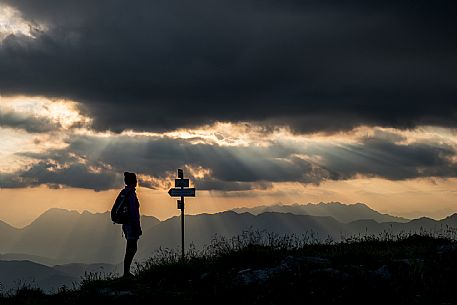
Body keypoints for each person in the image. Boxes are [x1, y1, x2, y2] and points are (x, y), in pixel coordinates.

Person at [121, 171, 142, 278]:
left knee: (130, 247)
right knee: (131, 248)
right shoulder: (131, 194)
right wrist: (137, 227)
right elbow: (134, 213)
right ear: (134, 181)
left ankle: (126, 272)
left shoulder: (125, 192)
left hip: (125, 225)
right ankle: (126, 273)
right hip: (131, 225)